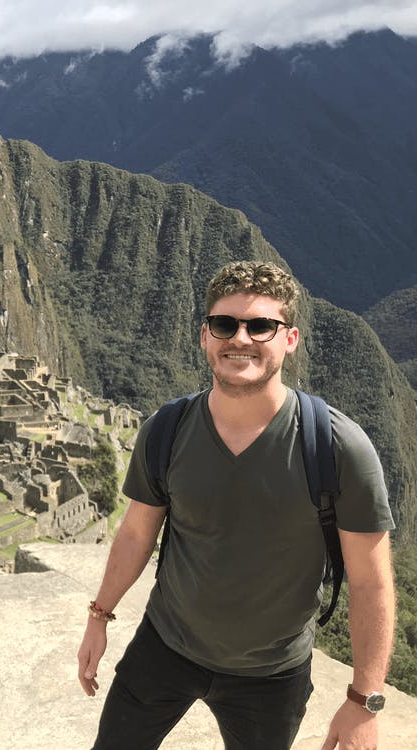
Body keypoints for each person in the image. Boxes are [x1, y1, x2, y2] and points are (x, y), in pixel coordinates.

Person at [77, 261, 395, 750]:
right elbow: (137, 533)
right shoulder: (167, 430)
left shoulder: (336, 448)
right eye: (225, 324)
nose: (240, 338)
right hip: (164, 647)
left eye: (261, 325)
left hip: (270, 675)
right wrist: (99, 616)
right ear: (206, 336)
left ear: (289, 338)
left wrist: (365, 701)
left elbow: (372, 582)